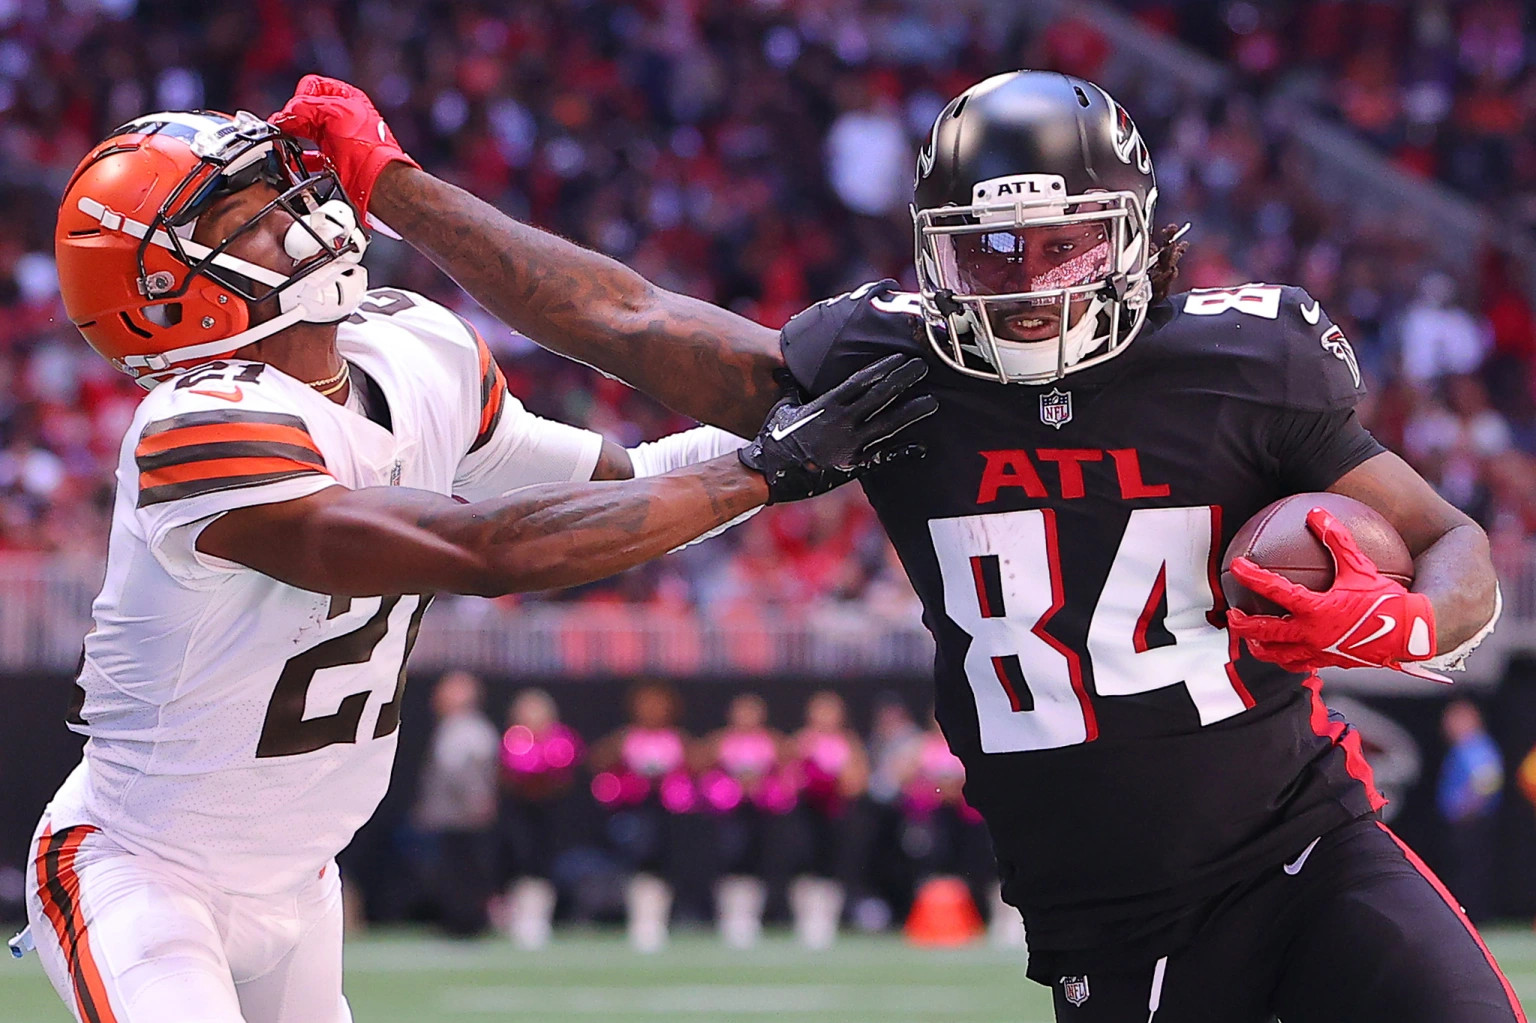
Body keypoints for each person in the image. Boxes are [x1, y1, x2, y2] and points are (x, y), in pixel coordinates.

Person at [283, 68, 1511, 1022]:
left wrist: (1411, 621)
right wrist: (390, 183)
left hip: (1306, 841)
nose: (1026, 284)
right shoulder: (892, 363)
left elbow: (1453, 544)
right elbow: (628, 315)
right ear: (933, 247)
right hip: (1112, 911)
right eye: (988, 250)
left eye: (1062, 243)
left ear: (1134, 233)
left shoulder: (1243, 364)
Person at [24, 109, 932, 1023]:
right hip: (142, 870)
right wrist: (767, 468)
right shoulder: (198, 424)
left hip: (299, 880)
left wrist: (829, 432)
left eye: (281, 188)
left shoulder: (409, 346)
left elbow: (634, 478)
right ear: (163, 291)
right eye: (247, 215)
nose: (298, 213)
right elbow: (484, 547)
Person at [588, 681, 695, 952]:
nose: (652, 710)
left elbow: (697, 764)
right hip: (635, 810)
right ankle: (641, 920)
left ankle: (658, 919)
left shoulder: (677, 738)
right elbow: (596, 759)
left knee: (664, 861)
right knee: (638, 860)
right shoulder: (627, 737)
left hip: (667, 810)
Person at [694, 692, 795, 949]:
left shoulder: (772, 740)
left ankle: (751, 916)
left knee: (757, 862)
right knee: (730, 860)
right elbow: (699, 765)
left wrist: (765, 784)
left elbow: (791, 768)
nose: (746, 717)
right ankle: (731, 915)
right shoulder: (722, 740)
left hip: (761, 812)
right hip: (730, 812)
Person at [411, 671, 500, 937]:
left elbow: (465, 773)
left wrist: (475, 801)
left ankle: (466, 922)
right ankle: (458, 920)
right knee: (456, 868)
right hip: (452, 815)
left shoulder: (466, 729)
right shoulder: (456, 727)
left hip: (461, 816)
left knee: (464, 870)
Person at [496, 688, 583, 949]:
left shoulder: (559, 740)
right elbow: (506, 772)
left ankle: (538, 918)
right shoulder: (514, 739)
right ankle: (518, 917)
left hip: (549, 811)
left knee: (542, 864)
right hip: (518, 811)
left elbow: (566, 770)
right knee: (518, 861)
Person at [787, 691, 870, 949]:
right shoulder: (802, 741)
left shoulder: (848, 741)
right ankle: (805, 918)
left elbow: (859, 780)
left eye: (831, 711)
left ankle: (826, 920)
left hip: (836, 813)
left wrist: (835, 781)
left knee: (833, 866)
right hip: (806, 813)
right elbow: (787, 778)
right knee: (805, 864)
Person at [1437, 700, 1505, 922]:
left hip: (1472, 822)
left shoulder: (1474, 746)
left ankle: (1473, 917)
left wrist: (1469, 806)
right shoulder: (1462, 748)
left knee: (1471, 873)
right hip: (1463, 822)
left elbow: (1488, 779)